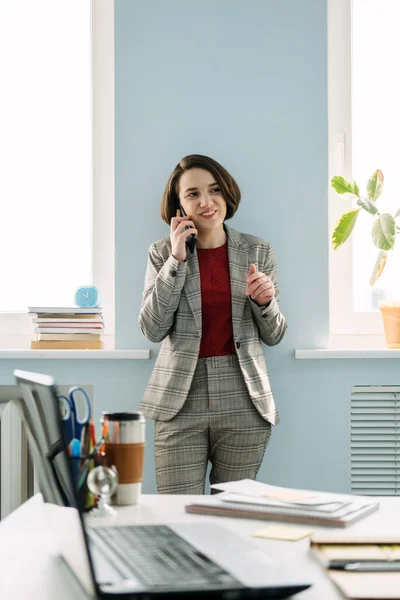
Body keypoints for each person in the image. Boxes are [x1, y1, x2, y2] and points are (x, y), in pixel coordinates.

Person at [139, 154, 287, 494]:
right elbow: (152, 328)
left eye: (214, 190)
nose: (206, 202)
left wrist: (264, 302)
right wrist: (176, 259)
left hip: (242, 395)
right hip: (180, 396)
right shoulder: (161, 253)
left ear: (227, 194)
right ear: (178, 205)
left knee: (233, 514)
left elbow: (275, 334)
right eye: (192, 194)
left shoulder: (258, 251)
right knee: (178, 515)